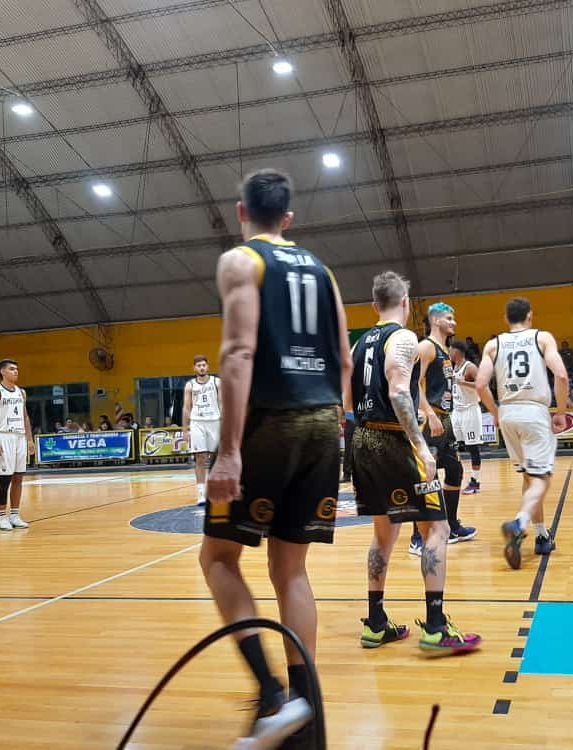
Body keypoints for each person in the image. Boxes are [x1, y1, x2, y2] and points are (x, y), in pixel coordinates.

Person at [199, 169, 352, 748]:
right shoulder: (322, 269)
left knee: (218, 560)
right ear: (289, 219)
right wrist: (332, 428)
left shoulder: (242, 262)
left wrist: (230, 451)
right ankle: (306, 718)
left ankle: (271, 697)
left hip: (270, 421)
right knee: (292, 570)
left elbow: (238, 352)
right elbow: (341, 356)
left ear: (242, 212)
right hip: (322, 422)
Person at [347, 271, 482, 655]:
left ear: (374, 305)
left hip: (362, 439)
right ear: (405, 304)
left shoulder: (358, 346)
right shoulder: (404, 338)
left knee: (383, 534)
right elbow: (399, 393)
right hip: (393, 440)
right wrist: (420, 444)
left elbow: (346, 402)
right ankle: (437, 628)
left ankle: (376, 623)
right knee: (437, 529)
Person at [476, 298, 569, 569]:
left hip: (508, 413)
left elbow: (481, 384)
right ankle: (520, 523)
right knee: (542, 480)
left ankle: (541, 536)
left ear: (506, 319)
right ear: (530, 315)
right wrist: (561, 412)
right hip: (534, 412)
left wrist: (495, 413)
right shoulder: (542, 338)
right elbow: (561, 376)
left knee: (529, 478)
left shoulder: (494, 344)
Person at [409, 303, 477, 555]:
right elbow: (411, 384)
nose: (454, 322)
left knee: (455, 470)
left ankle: (451, 525)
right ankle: (417, 536)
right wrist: (428, 412)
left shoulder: (444, 350)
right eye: (450, 318)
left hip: (445, 418)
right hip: (430, 419)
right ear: (436, 321)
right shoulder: (425, 347)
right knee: (426, 476)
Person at [0, 359, 35, 531]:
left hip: (19, 436)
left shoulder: (22, 392)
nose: (16, 372)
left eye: (17, 369)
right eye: (12, 369)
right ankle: (2, 517)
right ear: (2, 372)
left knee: (18, 477)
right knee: (4, 479)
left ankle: (14, 514)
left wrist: (29, 439)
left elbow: (25, 417)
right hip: (3, 435)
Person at [183, 355, 222, 507]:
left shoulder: (216, 382)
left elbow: (222, 403)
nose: (201, 368)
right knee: (200, 458)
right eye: (199, 365)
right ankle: (201, 493)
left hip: (215, 421)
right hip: (197, 422)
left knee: (216, 458)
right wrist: (185, 428)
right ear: (194, 368)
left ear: (208, 367)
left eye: (204, 365)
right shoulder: (190, 385)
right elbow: (186, 407)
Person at [449, 340, 484, 495]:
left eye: (450, 350)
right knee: (452, 445)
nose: (449, 352)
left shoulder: (469, 367)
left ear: (457, 352)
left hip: (470, 410)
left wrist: (464, 383)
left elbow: (482, 385)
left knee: (472, 447)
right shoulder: (453, 367)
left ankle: (475, 482)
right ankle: (455, 477)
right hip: (457, 411)